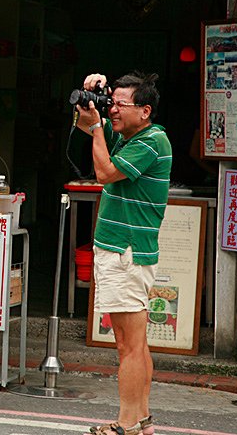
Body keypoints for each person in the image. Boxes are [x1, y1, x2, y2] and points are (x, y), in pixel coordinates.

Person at [75, 71, 172, 435]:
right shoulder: (134, 136)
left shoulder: (149, 141)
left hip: (125, 254)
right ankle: (142, 420)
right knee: (136, 343)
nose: (113, 110)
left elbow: (104, 171)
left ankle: (127, 423)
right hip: (127, 252)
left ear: (145, 110)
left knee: (127, 346)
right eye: (111, 102)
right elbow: (86, 127)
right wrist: (92, 98)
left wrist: (98, 129)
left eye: (121, 104)